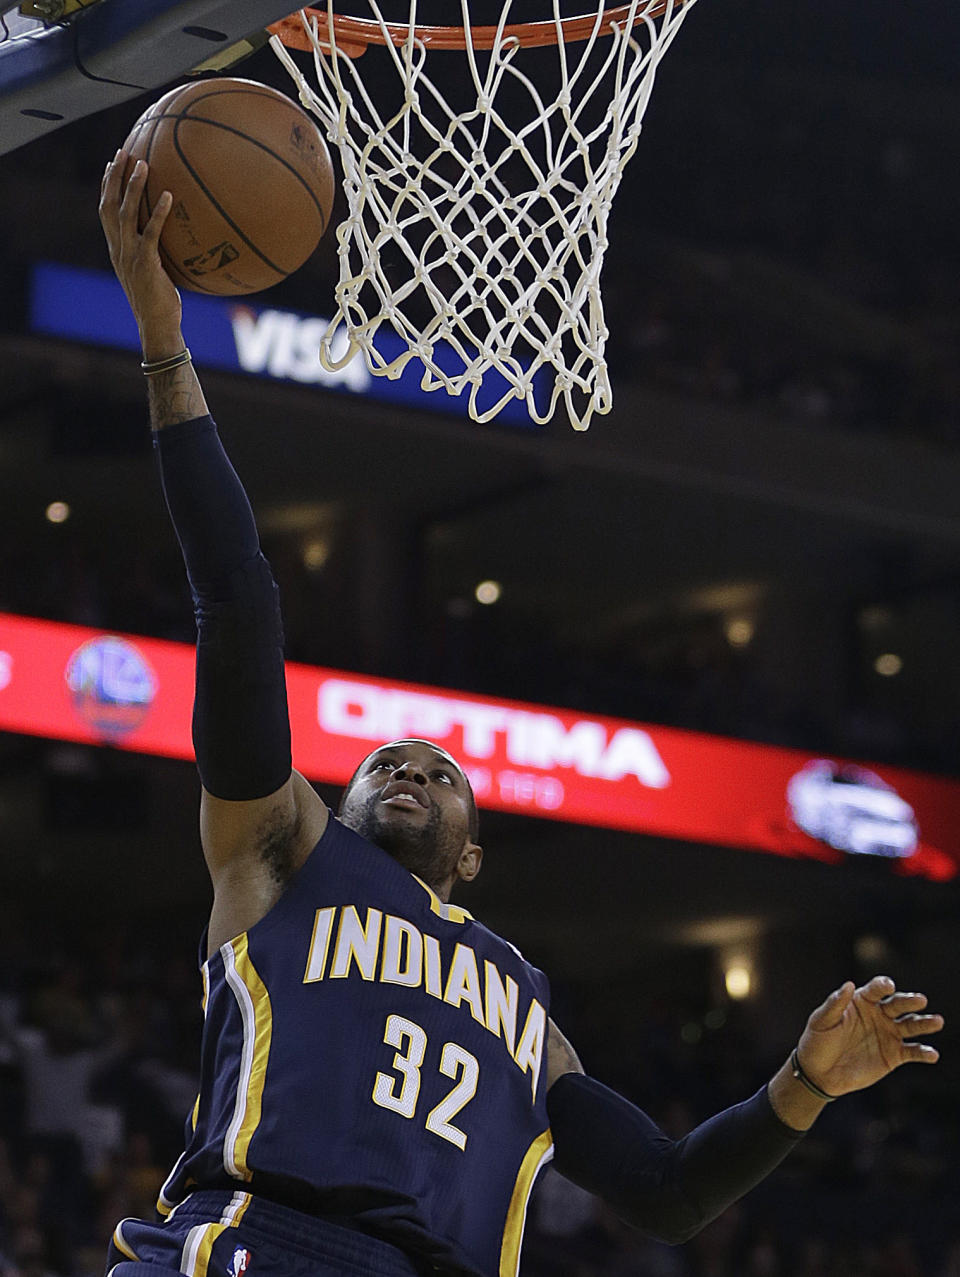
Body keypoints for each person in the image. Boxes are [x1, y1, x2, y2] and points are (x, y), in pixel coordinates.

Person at [98, 149, 944, 1277]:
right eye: (389, 762)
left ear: (476, 851)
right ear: (339, 801)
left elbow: (667, 1189)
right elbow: (241, 602)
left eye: (441, 773)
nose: (411, 769)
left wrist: (800, 1086)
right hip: (265, 1242)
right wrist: (165, 341)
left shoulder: (524, 1004)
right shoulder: (280, 855)